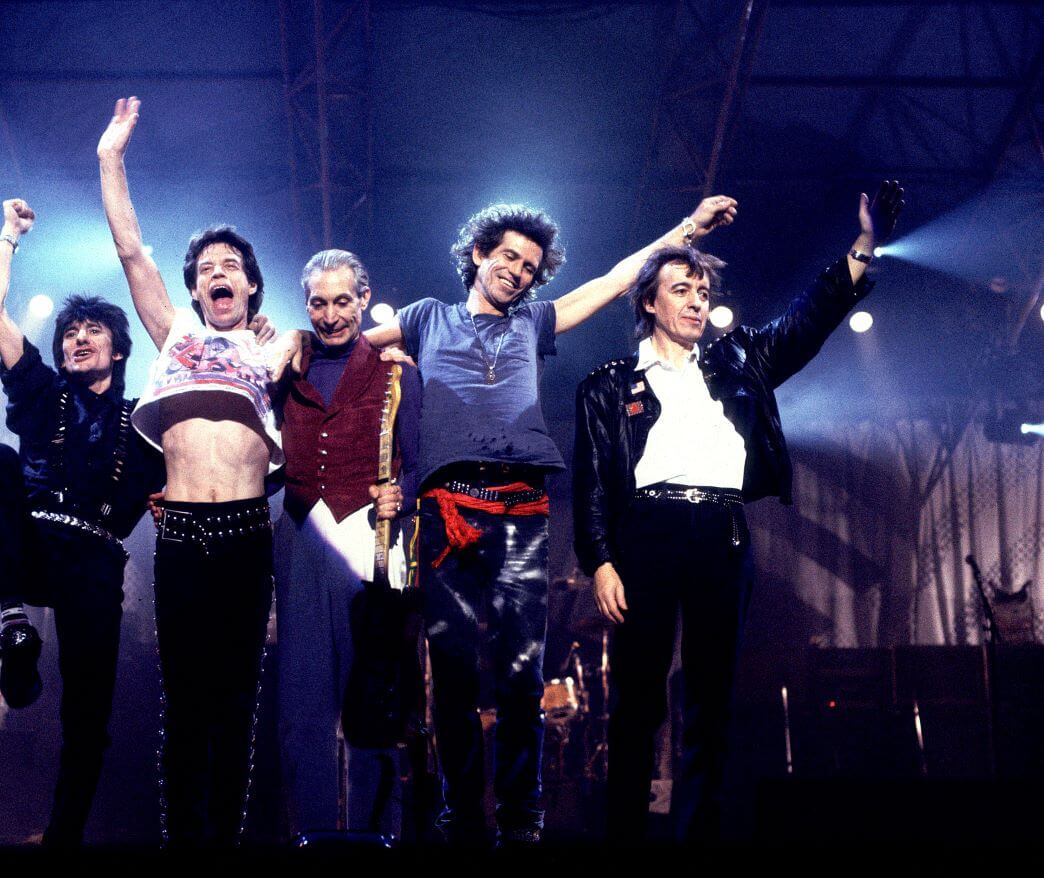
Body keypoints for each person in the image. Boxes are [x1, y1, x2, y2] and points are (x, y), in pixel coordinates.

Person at [364, 196, 738, 845]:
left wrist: (687, 229)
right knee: (451, 669)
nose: (518, 270)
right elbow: (346, 354)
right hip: (447, 504)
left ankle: (521, 820)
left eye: (530, 266)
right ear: (479, 254)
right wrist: (299, 346)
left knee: (520, 674)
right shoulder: (425, 316)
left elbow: (616, 280)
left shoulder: (534, 322)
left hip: (519, 506)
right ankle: (463, 814)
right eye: (508, 255)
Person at [573, 182, 904, 841]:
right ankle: (625, 837)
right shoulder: (608, 384)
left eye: (703, 292)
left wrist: (865, 243)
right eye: (682, 290)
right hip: (646, 536)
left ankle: (699, 834)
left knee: (710, 699)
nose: (697, 301)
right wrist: (600, 560)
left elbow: (809, 319)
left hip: (721, 534)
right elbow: (591, 484)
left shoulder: (738, 360)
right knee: (637, 701)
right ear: (648, 301)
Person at [96, 96, 298, 846]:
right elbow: (131, 250)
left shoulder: (275, 348)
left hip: (247, 533)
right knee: (183, 703)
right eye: (207, 269)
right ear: (194, 291)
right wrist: (111, 158)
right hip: (180, 531)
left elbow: (338, 344)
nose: (219, 274)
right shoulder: (173, 333)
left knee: (237, 703)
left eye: (231, 268)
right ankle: (182, 848)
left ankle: (224, 845)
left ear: (250, 287)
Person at [0, 198, 165, 846]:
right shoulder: (42, 393)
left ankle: (62, 839)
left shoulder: (144, 421)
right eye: (69, 332)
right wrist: (9, 237)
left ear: (118, 348)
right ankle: (15, 625)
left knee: (88, 716)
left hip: (94, 565)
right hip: (34, 544)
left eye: (91, 330)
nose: (77, 338)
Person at [275, 249, 420, 838]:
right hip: (301, 530)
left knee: (373, 693)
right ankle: (309, 830)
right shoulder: (287, 364)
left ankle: (377, 832)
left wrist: (402, 494)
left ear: (364, 299)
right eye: (317, 302)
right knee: (303, 698)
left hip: (371, 535)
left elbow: (421, 457)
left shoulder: (396, 369)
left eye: (342, 301)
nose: (330, 315)